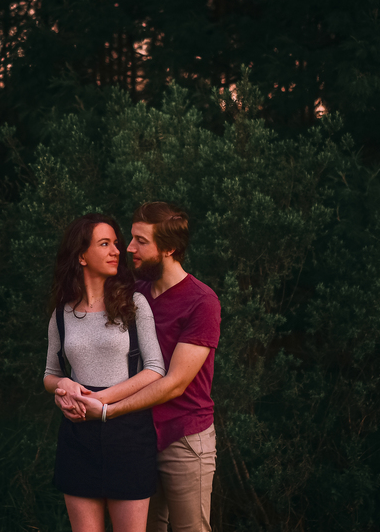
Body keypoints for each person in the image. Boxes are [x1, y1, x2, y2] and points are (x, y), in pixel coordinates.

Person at [61, 202, 221, 532]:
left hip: (184, 438)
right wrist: (66, 389)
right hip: (138, 437)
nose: (128, 248)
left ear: (170, 248)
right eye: (129, 238)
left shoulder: (201, 301)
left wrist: (106, 408)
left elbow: (174, 383)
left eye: (140, 241)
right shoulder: (133, 293)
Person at [43, 213, 167, 532]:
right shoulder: (62, 313)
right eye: (104, 243)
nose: (116, 250)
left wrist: (102, 403)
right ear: (82, 256)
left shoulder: (134, 303)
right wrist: (65, 387)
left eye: (116, 243)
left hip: (128, 435)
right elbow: (50, 374)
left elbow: (155, 369)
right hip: (77, 437)